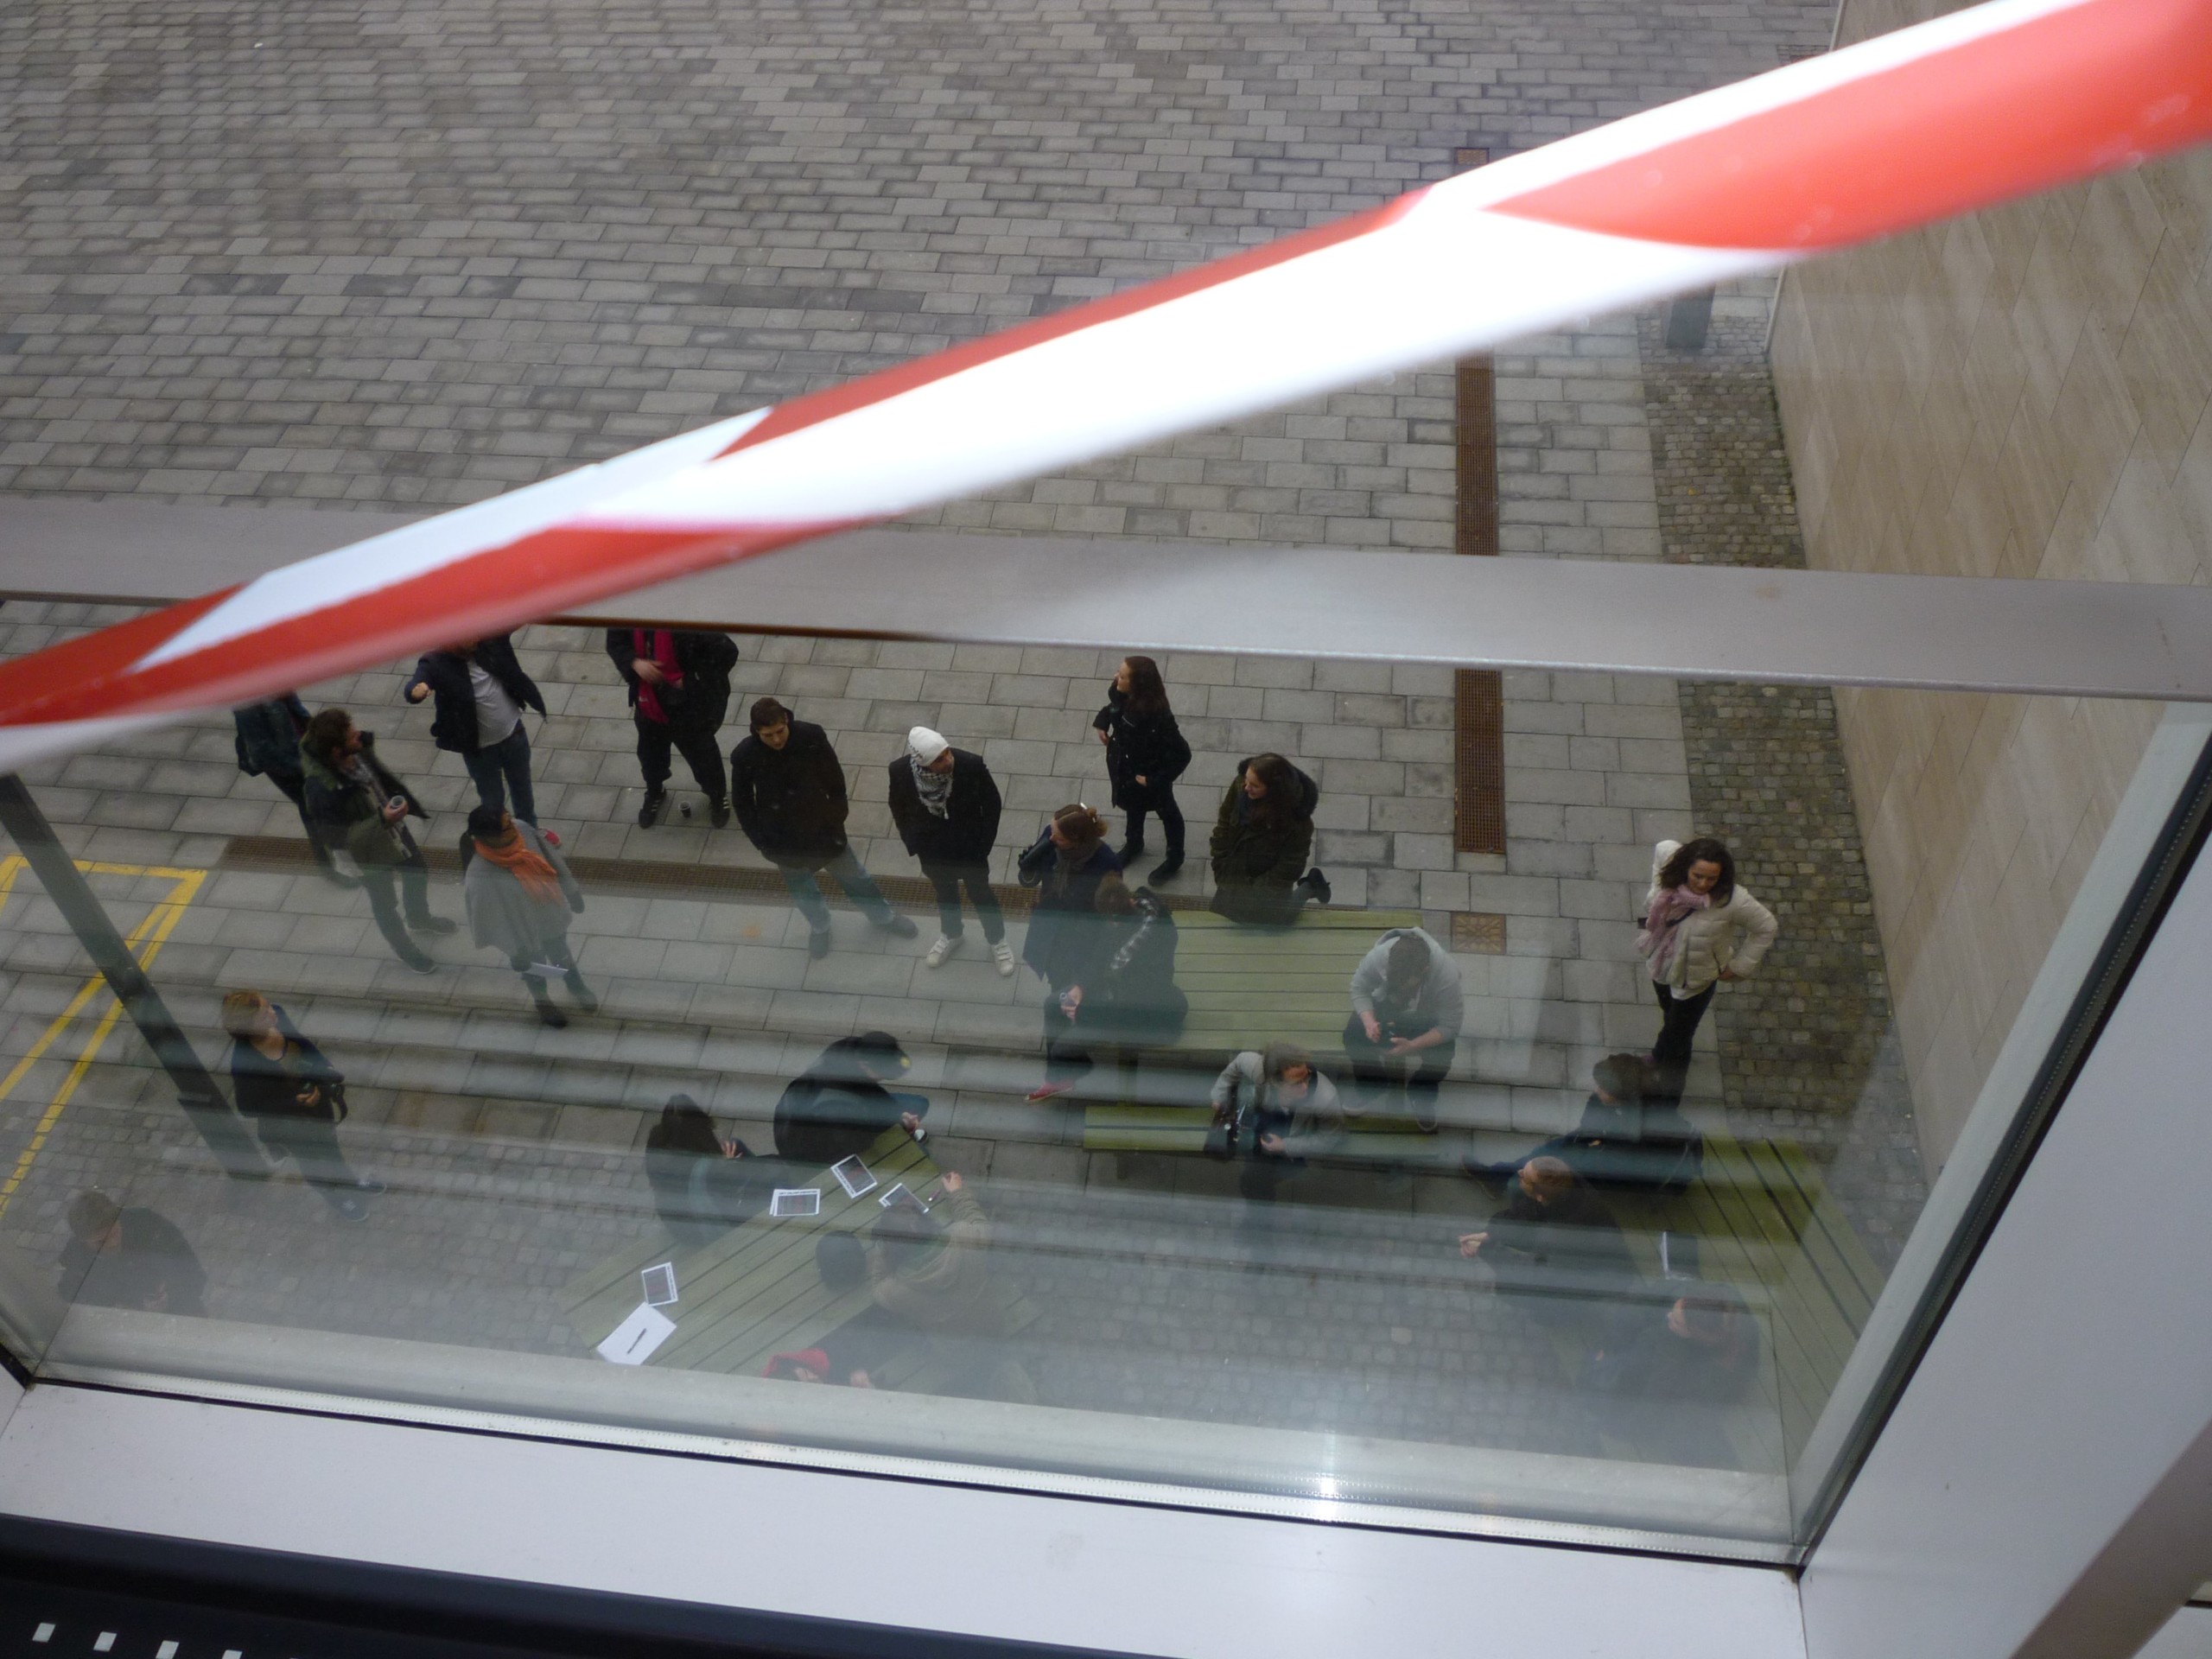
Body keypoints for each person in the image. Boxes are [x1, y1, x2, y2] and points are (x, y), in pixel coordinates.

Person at [729, 698, 917, 959]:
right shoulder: (745, 756)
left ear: (787, 721)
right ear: (756, 731)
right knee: (802, 888)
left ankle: (883, 917)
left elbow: (833, 776)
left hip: (822, 828)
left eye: (780, 732)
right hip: (782, 838)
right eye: (767, 735)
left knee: (856, 877)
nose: (776, 740)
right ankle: (820, 927)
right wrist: (762, 842)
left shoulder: (810, 735)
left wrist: (836, 815)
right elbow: (743, 802)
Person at [298, 707, 456, 973]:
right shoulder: (321, 790)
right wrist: (382, 820)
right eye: (351, 736)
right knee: (385, 904)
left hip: (392, 830)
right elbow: (336, 838)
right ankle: (406, 951)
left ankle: (418, 918)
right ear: (336, 751)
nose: (358, 735)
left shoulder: (355, 753)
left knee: (417, 870)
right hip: (367, 853)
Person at [867, 1171, 1035, 1402]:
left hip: (956, 1354)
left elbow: (877, 1287)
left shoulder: (899, 1293)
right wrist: (958, 1194)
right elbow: (977, 1221)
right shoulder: (965, 1237)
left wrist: (881, 1250)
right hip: (993, 1327)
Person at [221, 989, 384, 1223]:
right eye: (262, 1014)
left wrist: (324, 1069)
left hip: (317, 1107)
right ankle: (338, 1199)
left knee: (332, 1152)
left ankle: (350, 1183)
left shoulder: (278, 1015)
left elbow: (302, 1044)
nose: (271, 1012)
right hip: (293, 1125)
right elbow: (247, 1106)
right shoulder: (245, 1062)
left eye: (267, 1006)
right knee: (314, 1164)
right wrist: (294, 1102)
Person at [1027, 874, 1187, 1101]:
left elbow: (1139, 992)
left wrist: (1083, 1011)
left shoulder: (1157, 935)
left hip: (1134, 1003)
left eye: (1115, 920)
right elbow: (1100, 956)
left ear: (1130, 904)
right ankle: (1059, 1075)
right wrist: (1080, 987)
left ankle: (1063, 1073)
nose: (1111, 925)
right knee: (1053, 1005)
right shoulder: (1119, 915)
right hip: (1112, 987)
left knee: (1064, 1047)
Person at [1638, 837, 1778, 1093]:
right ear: (1685, 868)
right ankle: (1660, 1054)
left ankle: (1667, 1099)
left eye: (1711, 879)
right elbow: (1661, 848)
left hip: (1696, 980)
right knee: (1671, 1018)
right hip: (1662, 966)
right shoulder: (1671, 870)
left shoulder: (1733, 901)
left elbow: (1766, 927)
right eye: (1697, 876)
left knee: (1680, 1040)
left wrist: (1738, 967)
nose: (1703, 884)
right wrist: (1657, 886)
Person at [1464, 1054, 1704, 1195]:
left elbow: (1615, 1155)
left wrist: (1587, 1146)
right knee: (1554, 1149)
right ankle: (1503, 1177)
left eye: (1603, 1089)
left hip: (1639, 1170)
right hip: (1614, 1145)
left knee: (1555, 1165)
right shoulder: (1630, 1101)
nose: (1596, 1090)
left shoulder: (1642, 1127)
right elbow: (1590, 1125)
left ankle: (1516, 1184)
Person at [1586, 1282, 1761, 1466]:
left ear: (1698, 1336)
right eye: (1675, 1309)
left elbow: (1648, 1406)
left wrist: (1599, 1363)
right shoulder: (1729, 1314)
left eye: (1677, 1321)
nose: (1669, 1315)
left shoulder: (1669, 1357)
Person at [887, 727, 1013, 976]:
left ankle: (997, 939)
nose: (948, 760)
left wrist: (983, 846)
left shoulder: (970, 764)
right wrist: (913, 842)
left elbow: (992, 804)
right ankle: (952, 933)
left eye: (947, 753)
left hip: (969, 848)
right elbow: (897, 805)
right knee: (945, 893)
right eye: (940, 759)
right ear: (922, 763)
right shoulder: (900, 771)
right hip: (932, 849)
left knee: (981, 894)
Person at [1016, 804, 1122, 1095]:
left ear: (1077, 841)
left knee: (1064, 1001)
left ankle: (1061, 1069)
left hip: (1081, 944)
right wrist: (1027, 870)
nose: (1051, 840)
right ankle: (1064, 1065)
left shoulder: (1106, 865)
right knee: (1059, 995)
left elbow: (1108, 926)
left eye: (1059, 838)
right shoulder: (1052, 836)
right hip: (1052, 936)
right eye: (1050, 831)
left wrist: (1087, 978)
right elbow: (1032, 879)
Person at [460, 804, 596, 1027]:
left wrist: (572, 891)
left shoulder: (523, 830)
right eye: (506, 826)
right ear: (490, 837)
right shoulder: (479, 876)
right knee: (535, 968)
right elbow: (489, 919)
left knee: (561, 954)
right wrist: (514, 950)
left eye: (510, 819)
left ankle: (576, 985)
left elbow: (552, 859)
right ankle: (543, 1002)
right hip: (521, 935)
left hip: (549, 916)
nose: (513, 826)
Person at [1459, 1156, 1635, 1320]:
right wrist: (1492, 1232)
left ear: (1540, 1196)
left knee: (1509, 1288)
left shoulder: (1562, 1237)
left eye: (1525, 1176)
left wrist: (1485, 1249)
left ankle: (1559, 1314)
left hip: (1598, 1279)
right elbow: (1531, 1208)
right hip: (1583, 1262)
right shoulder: (1567, 1187)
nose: (1519, 1172)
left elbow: (1534, 1273)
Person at [403, 632, 546, 824]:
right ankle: (502, 841)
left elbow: (510, 622)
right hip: (481, 751)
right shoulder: (435, 662)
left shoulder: (486, 643)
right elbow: (415, 686)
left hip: (514, 734)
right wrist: (416, 691)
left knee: (523, 790)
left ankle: (531, 833)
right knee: (493, 802)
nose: (476, 638)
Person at [605, 626, 739, 828]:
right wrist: (634, 662)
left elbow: (726, 652)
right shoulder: (628, 612)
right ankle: (655, 791)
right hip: (648, 702)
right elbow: (616, 643)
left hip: (688, 708)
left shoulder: (689, 622)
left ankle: (717, 797)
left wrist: (691, 679)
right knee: (650, 757)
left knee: (703, 758)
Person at [1210, 1043, 1345, 1243]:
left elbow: (1332, 1137)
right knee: (1255, 1174)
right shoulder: (1259, 1069)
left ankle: (1260, 1223)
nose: (1305, 1086)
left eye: (1306, 1077)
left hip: (1291, 1139)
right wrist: (1219, 1096)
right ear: (1274, 1081)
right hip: (1263, 1120)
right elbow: (1237, 1064)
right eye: (1296, 1083)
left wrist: (1286, 1146)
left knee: (1255, 1179)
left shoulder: (1324, 1097)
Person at [1343, 926, 1464, 1131]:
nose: (1399, 984)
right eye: (1394, 980)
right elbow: (1359, 988)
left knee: (1443, 1053)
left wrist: (1414, 1045)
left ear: (1424, 971)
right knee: (1352, 1036)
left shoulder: (1447, 976)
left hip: (1425, 1016)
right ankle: (1372, 1083)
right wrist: (1369, 1021)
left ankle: (1422, 1092)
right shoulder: (1380, 957)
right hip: (1385, 1003)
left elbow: (1451, 1025)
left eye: (1405, 983)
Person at [1091, 654, 1192, 883]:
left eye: (1123, 676)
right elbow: (1113, 708)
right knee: (1133, 807)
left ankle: (1175, 857)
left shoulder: (1158, 717)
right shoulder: (1121, 693)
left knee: (1168, 813)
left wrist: (1155, 779)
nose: (1116, 677)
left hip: (1149, 775)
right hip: (1127, 771)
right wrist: (1102, 721)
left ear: (1137, 685)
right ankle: (1134, 843)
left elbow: (1182, 754)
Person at [232, 692, 345, 881]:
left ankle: (339, 851)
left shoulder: (275, 681)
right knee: (311, 811)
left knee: (323, 805)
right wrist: (304, 769)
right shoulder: (247, 703)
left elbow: (297, 712)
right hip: (289, 766)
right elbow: (262, 753)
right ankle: (329, 866)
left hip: (303, 751)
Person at [773, 1032, 930, 1168]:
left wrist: (897, 1114)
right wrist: (900, 1126)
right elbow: (861, 1141)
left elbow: (869, 1091)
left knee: (918, 1104)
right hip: (814, 1153)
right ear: (865, 1065)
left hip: (802, 1122)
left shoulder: (848, 1050)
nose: (883, 1078)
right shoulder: (840, 1107)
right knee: (915, 1152)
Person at [1209, 753, 1331, 925]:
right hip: (1233, 874)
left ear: (1273, 789)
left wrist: (1258, 895)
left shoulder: (1297, 823)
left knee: (1279, 923)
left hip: (1266, 885)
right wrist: (1220, 860)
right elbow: (1225, 820)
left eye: (1254, 785)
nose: (1246, 787)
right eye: (1247, 780)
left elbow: (1290, 865)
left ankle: (1310, 886)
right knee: (1230, 918)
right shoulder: (1240, 784)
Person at [643, 1094, 772, 1246]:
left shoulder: (658, 1137)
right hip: (706, 1229)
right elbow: (726, 1191)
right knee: (740, 1152)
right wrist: (727, 1165)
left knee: (735, 1146)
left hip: (677, 1224)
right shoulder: (705, 1165)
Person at [56, 1191, 207, 1317]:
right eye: (101, 1242)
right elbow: (73, 1302)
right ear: (83, 1240)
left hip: (183, 1316)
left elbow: (192, 1271)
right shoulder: (77, 1261)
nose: (112, 1244)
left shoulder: (150, 1226)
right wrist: (120, 1310)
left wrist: (172, 1297)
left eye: (114, 1234)